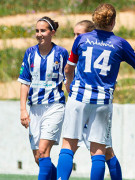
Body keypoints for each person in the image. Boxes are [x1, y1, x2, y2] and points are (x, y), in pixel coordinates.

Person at [56, 3, 135, 180]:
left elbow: (69, 69)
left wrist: (69, 84)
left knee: (68, 145)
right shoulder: (120, 44)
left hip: (78, 97)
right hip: (102, 102)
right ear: (113, 22)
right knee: (98, 149)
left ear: (94, 20)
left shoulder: (81, 40)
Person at [18, 16, 68, 180]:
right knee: (39, 158)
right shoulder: (30, 53)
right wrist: (23, 109)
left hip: (54, 106)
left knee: (43, 151)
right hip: (34, 109)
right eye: (37, 31)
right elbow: (25, 82)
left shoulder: (61, 53)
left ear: (52, 32)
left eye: (43, 30)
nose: (39, 34)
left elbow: (68, 81)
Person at [73, 19, 122, 180]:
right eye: (74, 34)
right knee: (71, 147)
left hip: (97, 105)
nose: (75, 38)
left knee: (105, 151)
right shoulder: (78, 52)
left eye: (78, 35)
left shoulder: (98, 51)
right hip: (81, 105)